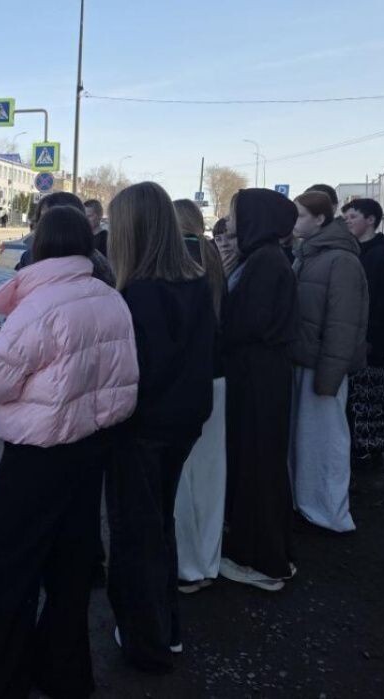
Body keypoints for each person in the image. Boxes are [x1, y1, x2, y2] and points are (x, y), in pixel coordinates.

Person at [0, 206, 140, 699]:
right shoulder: (109, 297)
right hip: (90, 452)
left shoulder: (40, 306)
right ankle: (64, 672)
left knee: (8, 573)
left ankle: (0, 680)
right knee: (69, 574)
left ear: (39, 245)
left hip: (35, 461)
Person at [104, 184, 215, 674]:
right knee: (159, 524)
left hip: (143, 427)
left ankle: (145, 640)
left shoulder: (139, 293)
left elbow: (136, 372)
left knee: (135, 533)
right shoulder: (193, 280)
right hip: (184, 420)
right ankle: (165, 629)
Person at [220, 189, 299, 592]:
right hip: (258, 373)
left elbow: (247, 322)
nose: (229, 220)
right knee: (258, 462)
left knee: (258, 463)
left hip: (259, 375)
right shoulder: (261, 257)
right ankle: (271, 550)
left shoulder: (265, 262)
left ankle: (263, 561)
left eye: (235, 212)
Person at [289, 190, 368, 534]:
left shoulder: (341, 260)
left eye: (300, 216)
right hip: (303, 361)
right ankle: (307, 502)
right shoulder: (308, 253)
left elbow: (343, 324)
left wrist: (329, 376)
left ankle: (330, 511)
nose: (294, 223)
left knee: (327, 441)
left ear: (320, 219)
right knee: (305, 441)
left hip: (321, 367)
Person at [171, 199, 228, 595]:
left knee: (181, 478)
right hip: (217, 375)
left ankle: (187, 564)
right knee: (210, 474)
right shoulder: (211, 254)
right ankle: (207, 559)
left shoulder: (181, 257)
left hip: (187, 379)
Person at [342, 198, 384, 471]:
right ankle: (354, 445)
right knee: (351, 396)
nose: (347, 222)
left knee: (369, 396)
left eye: (353, 217)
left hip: (371, 339)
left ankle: (369, 450)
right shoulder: (351, 251)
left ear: (370, 220)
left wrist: (374, 336)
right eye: (345, 218)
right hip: (351, 337)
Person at [16, 191, 115, 286]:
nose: (40, 227)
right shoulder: (29, 258)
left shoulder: (97, 266)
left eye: (48, 221)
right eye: (40, 220)